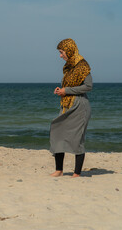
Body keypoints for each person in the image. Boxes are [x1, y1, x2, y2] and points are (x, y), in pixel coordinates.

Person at [49, 38, 92, 178]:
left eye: (62, 52)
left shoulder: (82, 65)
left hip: (79, 106)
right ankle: (59, 170)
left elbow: (88, 86)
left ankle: (77, 173)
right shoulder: (68, 66)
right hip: (66, 104)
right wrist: (61, 90)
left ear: (69, 50)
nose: (60, 55)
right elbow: (68, 86)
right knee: (57, 131)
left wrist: (66, 90)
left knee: (77, 138)